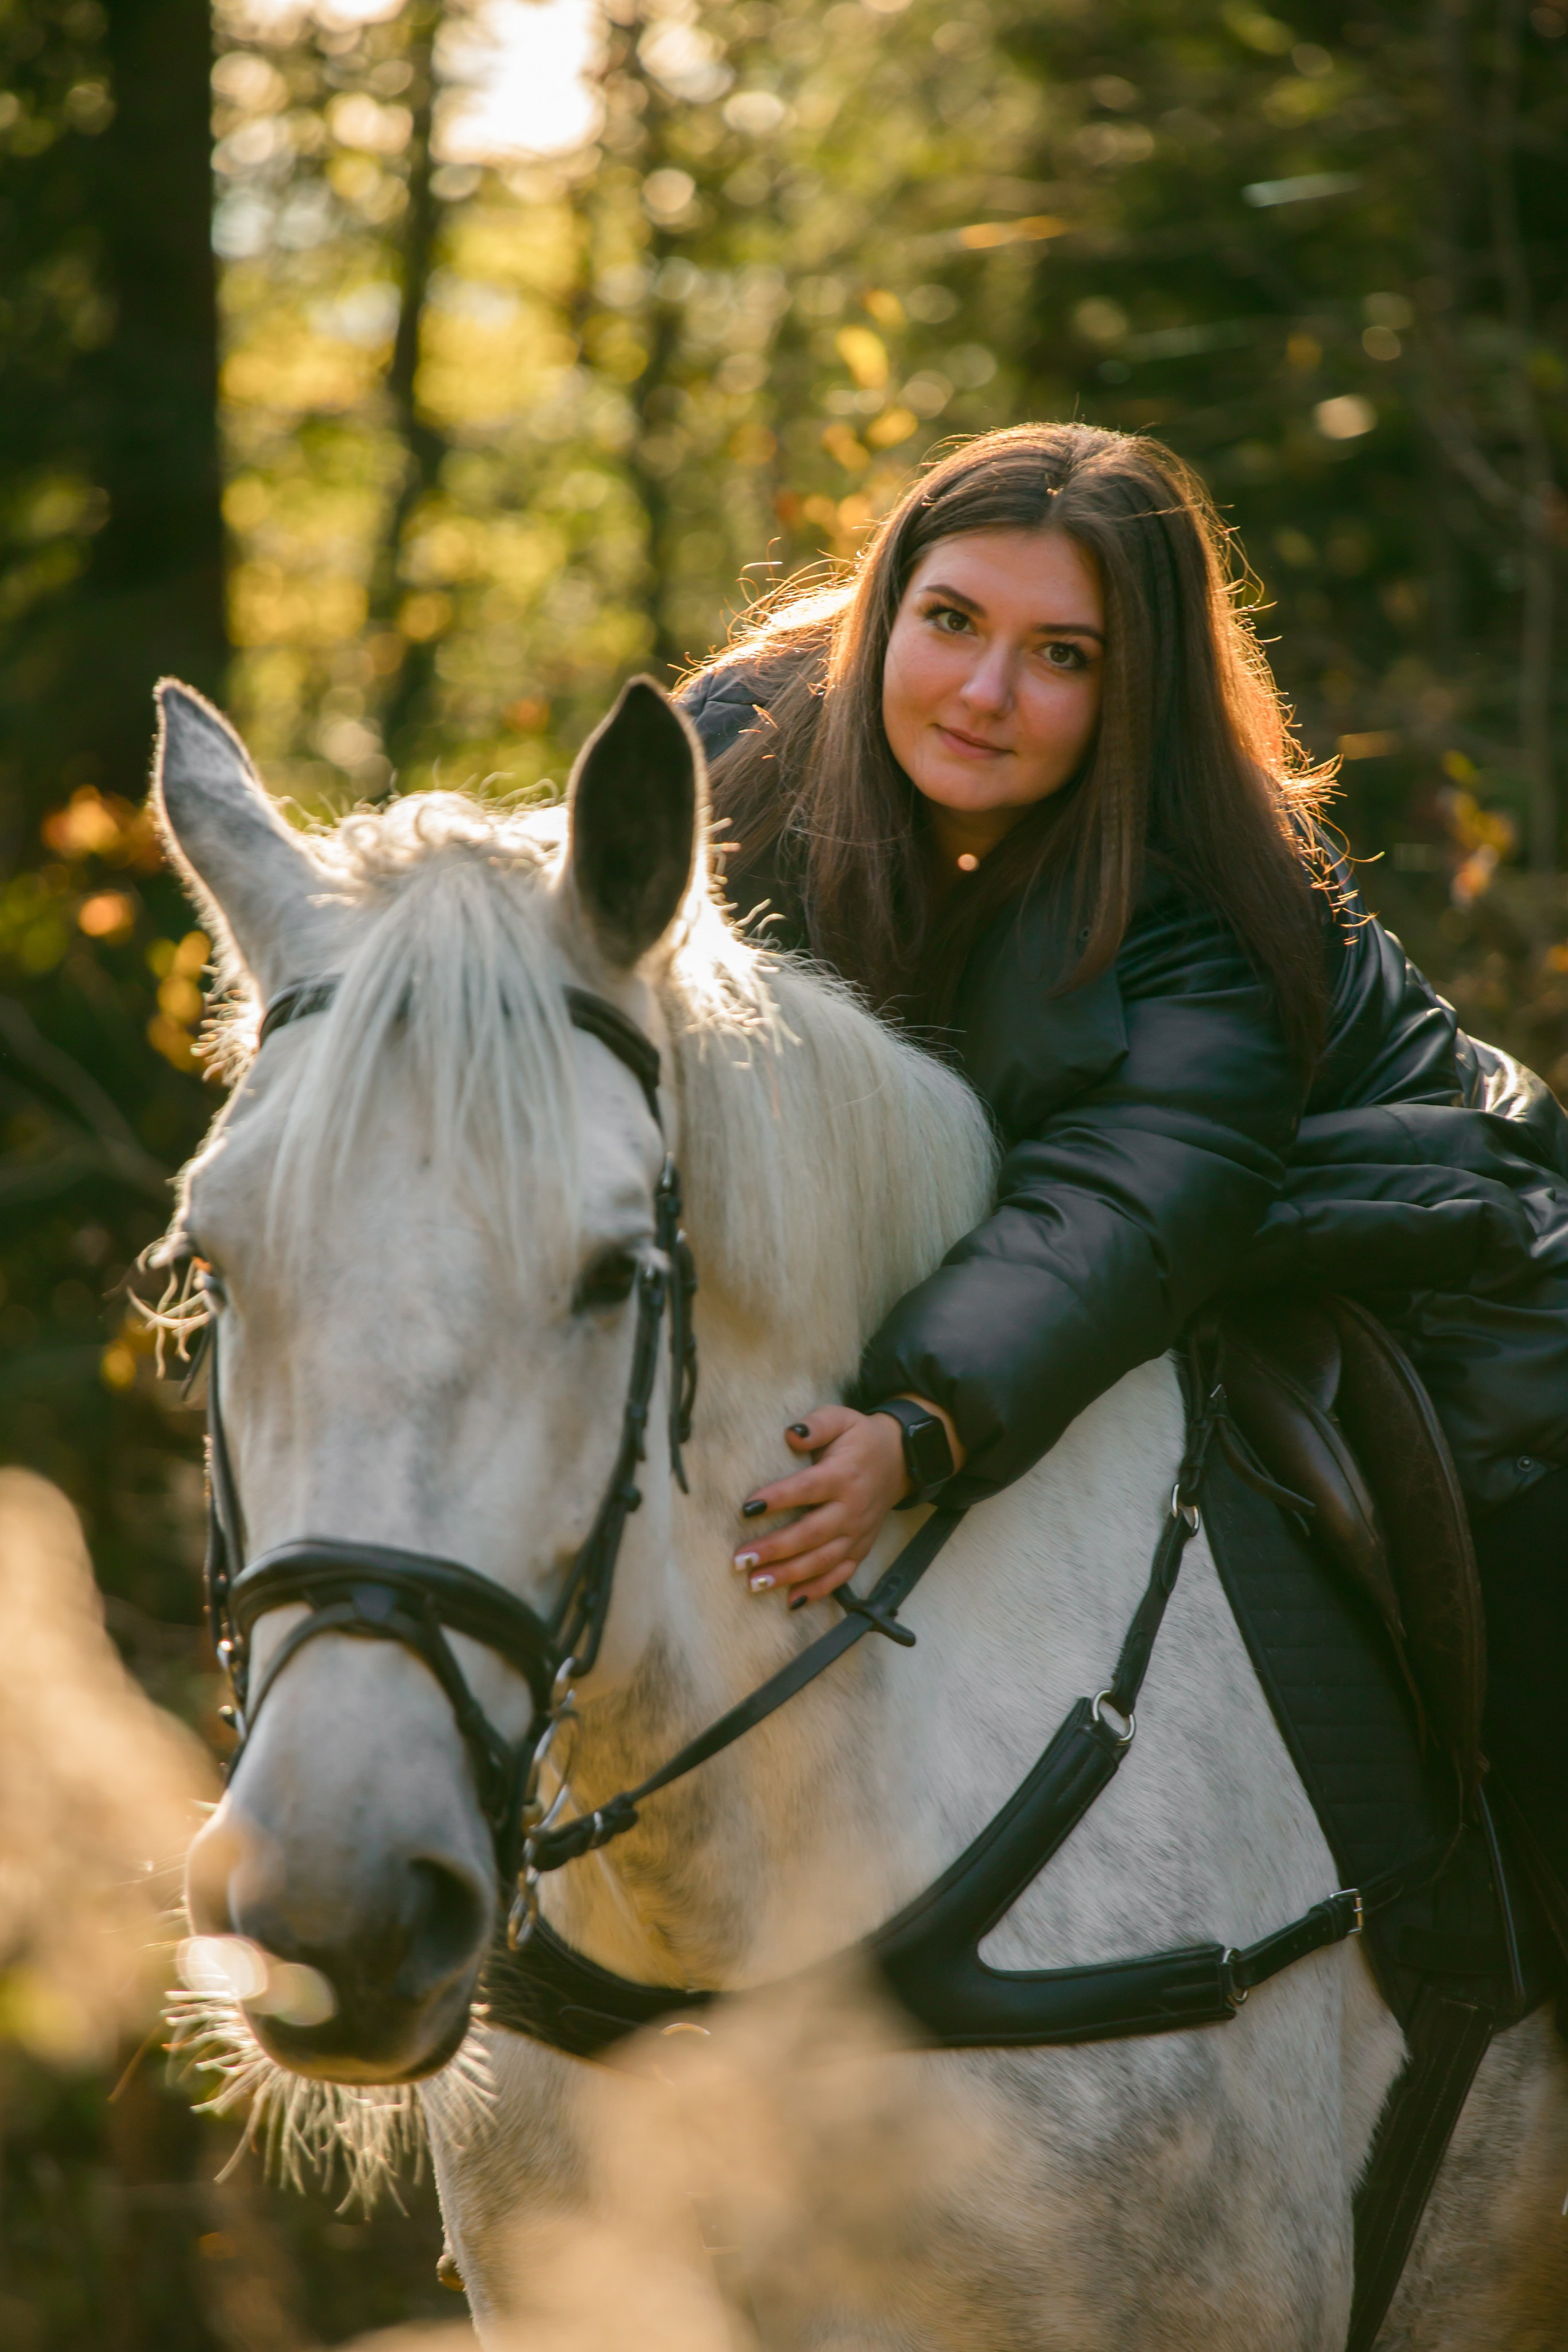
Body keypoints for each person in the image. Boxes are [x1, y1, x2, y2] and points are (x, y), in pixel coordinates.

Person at [675, 421, 1568, 1953]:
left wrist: (918, 1421)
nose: (981, 692)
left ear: (1133, 687)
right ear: (887, 601)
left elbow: (1130, 1195)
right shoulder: (724, 762)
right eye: (950, 620)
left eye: (1061, 654)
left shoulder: (1208, 893)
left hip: (1410, 1234)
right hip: (1062, 1229)